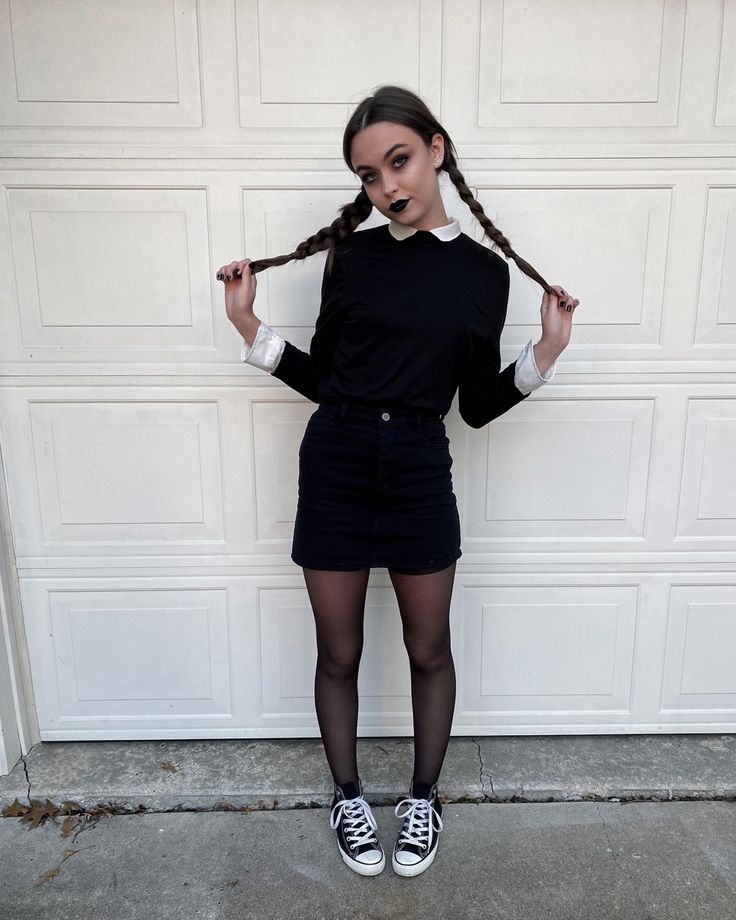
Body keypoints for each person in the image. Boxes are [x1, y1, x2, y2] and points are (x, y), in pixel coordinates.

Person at [217, 84, 579, 879]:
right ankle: (347, 794)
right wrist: (250, 328)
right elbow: (326, 379)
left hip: (419, 465)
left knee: (428, 647)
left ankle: (423, 798)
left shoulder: (486, 277)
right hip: (339, 459)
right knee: (338, 652)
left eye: (398, 161)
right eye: (369, 175)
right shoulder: (354, 258)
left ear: (437, 148)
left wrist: (544, 354)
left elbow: (476, 407)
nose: (388, 187)